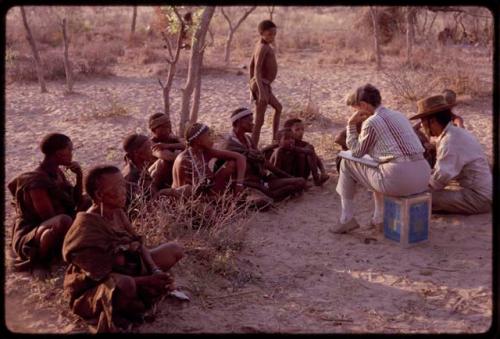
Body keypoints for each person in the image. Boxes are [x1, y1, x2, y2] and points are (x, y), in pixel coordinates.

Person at [63, 165, 184, 332]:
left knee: (175, 249)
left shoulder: (117, 212)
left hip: (130, 271)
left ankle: (137, 296)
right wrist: (147, 280)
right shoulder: (87, 227)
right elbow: (100, 275)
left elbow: (138, 243)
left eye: (123, 184)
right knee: (126, 285)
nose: (124, 190)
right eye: (118, 187)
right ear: (99, 195)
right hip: (95, 287)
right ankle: (128, 303)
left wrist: (155, 270)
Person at [333, 84, 431, 234]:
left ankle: (346, 218)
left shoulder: (371, 122)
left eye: (356, 109)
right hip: (423, 175)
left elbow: (356, 152)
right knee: (378, 166)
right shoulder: (399, 115)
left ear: (364, 105)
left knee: (347, 162)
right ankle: (378, 218)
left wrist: (351, 124)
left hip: (398, 179)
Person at [7, 133, 89, 278]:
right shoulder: (36, 182)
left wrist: (79, 176)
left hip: (55, 224)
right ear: (59, 153)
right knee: (64, 220)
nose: (71, 153)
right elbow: (49, 218)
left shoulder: (57, 173)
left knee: (88, 199)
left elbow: (75, 201)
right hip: (32, 234)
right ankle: (39, 262)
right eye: (69, 150)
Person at [409, 95, 492, 214]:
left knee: (421, 198)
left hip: (479, 198)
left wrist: (413, 189)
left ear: (432, 121)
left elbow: (438, 180)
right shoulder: (454, 133)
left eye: (423, 122)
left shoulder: (450, 141)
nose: (422, 126)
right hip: (477, 189)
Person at [221, 107, 307, 202]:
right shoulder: (229, 144)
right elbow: (229, 174)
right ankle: (270, 196)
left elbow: (263, 161)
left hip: (261, 180)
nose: (252, 124)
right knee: (262, 201)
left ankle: (271, 195)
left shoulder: (248, 139)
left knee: (300, 182)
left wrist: (286, 176)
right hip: (246, 184)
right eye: (249, 121)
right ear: (239, 122)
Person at [172, 123, 247, 196]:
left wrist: (239, 184)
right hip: (189, 201)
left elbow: (240, 157)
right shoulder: (185, 160)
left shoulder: (204, 152)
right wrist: (218, 200)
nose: (212, 139)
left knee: (232, 164)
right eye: (208, 135)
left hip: (205, 195)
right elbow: (187, 196)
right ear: (199, 141)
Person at [122, 134, 184, 211]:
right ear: (137, 153)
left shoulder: (138, 166)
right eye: (148, 147)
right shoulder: (134, 176)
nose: (152, 151)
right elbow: (145, 206)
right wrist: (167, 193)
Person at [249, 19, 282, 147]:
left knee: (278, 108)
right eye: (269, 34)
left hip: (263, 84)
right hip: (262, 85)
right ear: (262, 33)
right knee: (259, 120)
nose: (272, 37)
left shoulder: (261, 45)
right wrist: (261, 92)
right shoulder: (262, 47)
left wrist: (251, 85)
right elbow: (256, 69)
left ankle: (274, 140)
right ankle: (253, 147)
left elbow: (250, 65)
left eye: (274, 33)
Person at [412, 89, 465, 168]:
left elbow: (459, 131)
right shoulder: (437, 119)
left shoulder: (454, 120)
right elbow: (415, 128)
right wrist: (426, 141)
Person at [284, 118, 330, 186]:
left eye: (302, 129)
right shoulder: (285, 144)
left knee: (309, 148)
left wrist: (323, 171)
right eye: (297, 130)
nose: (301, 132)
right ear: (288, 132)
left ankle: (316, 178)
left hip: (303, 175)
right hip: (291, 175)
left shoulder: (304, 144)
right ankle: (315, 179)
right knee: (303, 154)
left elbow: (316, 158)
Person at [148, 113, 185, 188]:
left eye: (169, 125)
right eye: (164, 127)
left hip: (172, 178)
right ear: (154, 130)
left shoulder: (171, 139)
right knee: (162, 162)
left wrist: (168, 145)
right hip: (154, 181)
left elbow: (188, 146)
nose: (168, 129)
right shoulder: (151, 143)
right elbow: (168, 156)